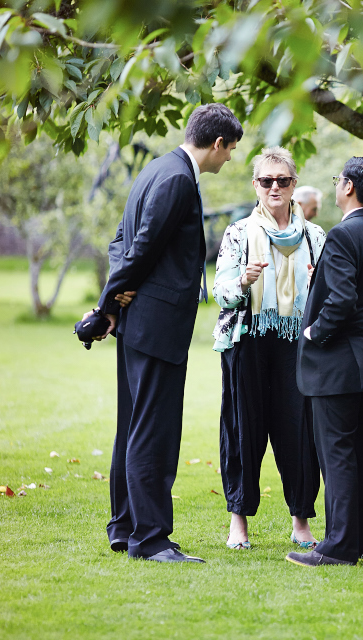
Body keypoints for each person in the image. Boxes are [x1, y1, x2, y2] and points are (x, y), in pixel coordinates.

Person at [84, 103, 243, 563]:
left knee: (132, 424)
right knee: (153, 430)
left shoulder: (158, 167)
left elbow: (121, 243)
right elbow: (138, 249)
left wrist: (116, 303)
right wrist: (107, 304)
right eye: (230, 150)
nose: (229, 158)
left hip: (141, 323)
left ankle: (125, 526)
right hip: (156, 327)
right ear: (216, 144)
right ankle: (150, 539)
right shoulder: (176, 178)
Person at [287, 157, 363, 567]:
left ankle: (339, 546)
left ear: (349, 188)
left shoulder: (342, 236)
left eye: (338, 178)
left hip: (338, 364)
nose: (336, 183)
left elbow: (340, 300)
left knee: (337, 452)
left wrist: (314, 333)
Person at [212, 147, 326, 551]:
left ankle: (301, 522)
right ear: (255, 185)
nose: (274, 187)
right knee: (244, 432)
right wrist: (243, 282)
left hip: (297, 346)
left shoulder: (315, 237)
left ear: (294, 184)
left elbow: (327, 300)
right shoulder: (239, 233)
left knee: (300, 433)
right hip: (247, 343)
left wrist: (316, 287)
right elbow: (219, 293)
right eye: (266, 181)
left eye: (283, 180)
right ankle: (238, 523)